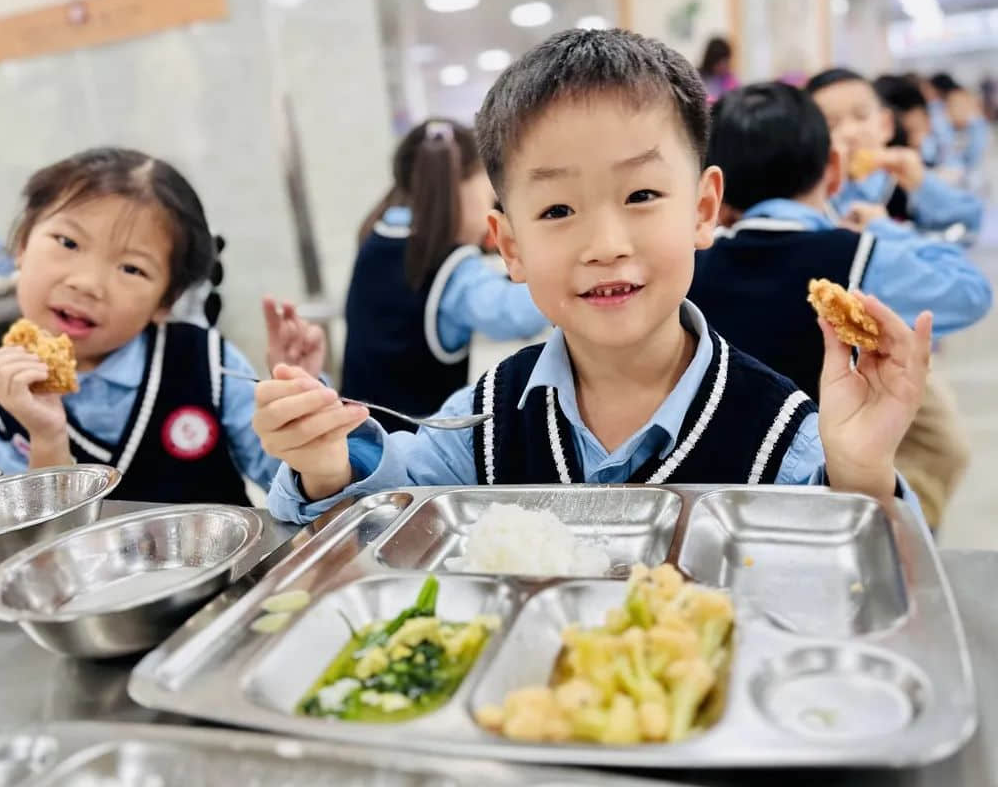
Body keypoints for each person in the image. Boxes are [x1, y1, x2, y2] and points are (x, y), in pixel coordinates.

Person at [256, 29, 930, 525]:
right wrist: (324, 463)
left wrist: (864, 472)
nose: (606, 245)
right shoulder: (485, 420)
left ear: (702, 210)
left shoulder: (784, 434)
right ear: (510, 246)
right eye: (557, 209)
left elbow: (862, 590)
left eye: (641, 196)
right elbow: (382, 512)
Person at [690, 82, 988, 528]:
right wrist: (886, 228)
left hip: (719, 494)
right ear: (832, 167)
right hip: (829, 482)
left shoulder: (693, 266)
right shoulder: (859, 256)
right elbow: (970, 292)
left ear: (716, 189)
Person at [0, 147, 284, 505]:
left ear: (165, 301)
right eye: (69, 242)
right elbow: (24, 547)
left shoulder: (210, 364)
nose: (87, 283)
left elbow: (289, 488)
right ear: (22, 244)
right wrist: (47, 440)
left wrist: (301, 417)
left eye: (131, 268)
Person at [343, 119, 548, 431]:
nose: (492, 209)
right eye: (488, 195)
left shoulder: (377, 237)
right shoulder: (452, 267)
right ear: (459, 188)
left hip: (358, 436)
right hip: (415, 454)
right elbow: (514, 315)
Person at [806, 68, 983, 234]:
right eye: (831, 124)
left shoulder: (905, 184)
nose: (850, 133)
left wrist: (921, 183)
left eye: (861, 116)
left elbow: (970, 219)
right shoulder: (811, 198)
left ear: (886, 125)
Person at [697, 36, 738, 103]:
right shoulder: (698, 78)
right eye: (721, 62)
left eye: (726, 61)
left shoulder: (730, 79)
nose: (725, 66)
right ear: (712, 60)